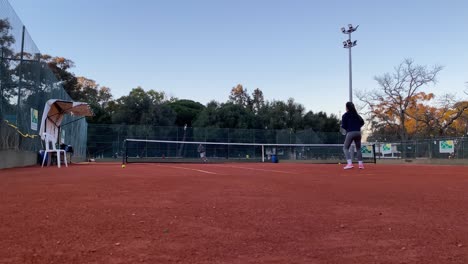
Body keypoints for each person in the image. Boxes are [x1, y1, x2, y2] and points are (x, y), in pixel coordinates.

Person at [341, 102, 365, 169]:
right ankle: (361, 165)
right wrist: (357, 126)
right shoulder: (357, 115)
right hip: (358, 133)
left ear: (347, 107)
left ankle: (349, 164)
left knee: (345, 148)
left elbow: (344, 126)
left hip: (350, 133)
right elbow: (362, 122)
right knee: (358, 149)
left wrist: (347, 127)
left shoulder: (345, 115)